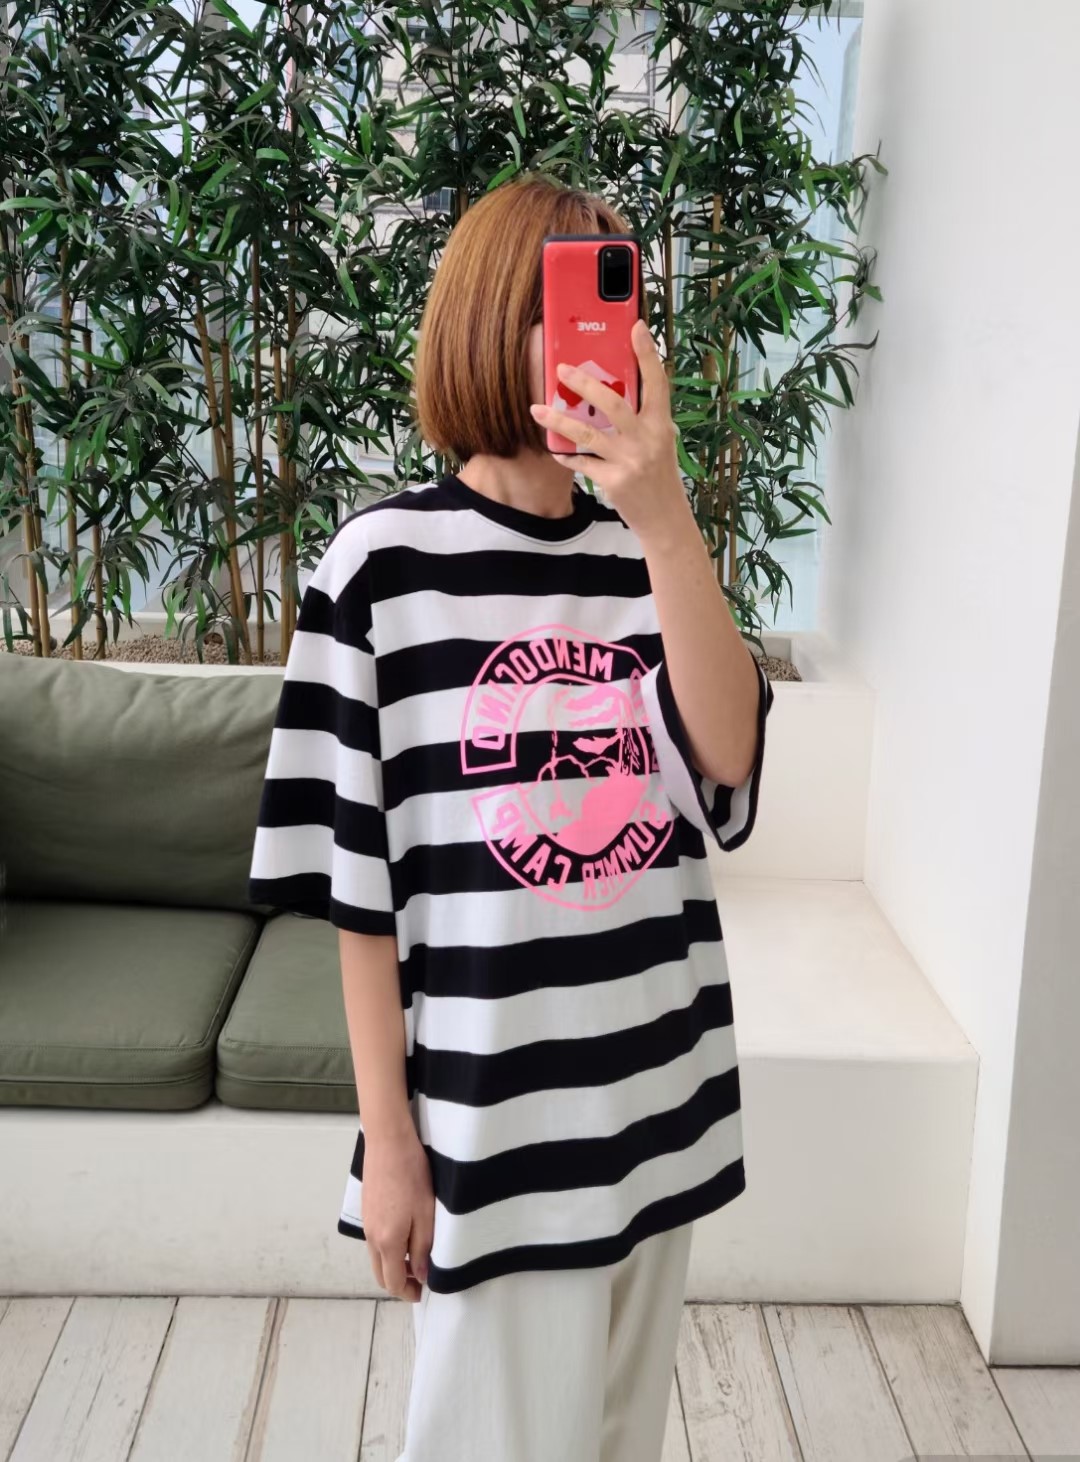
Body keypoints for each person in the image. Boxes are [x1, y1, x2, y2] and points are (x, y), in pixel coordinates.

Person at [248, 172, 774, 1462]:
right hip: (495, 1114)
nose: (602, 336)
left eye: (618, 302)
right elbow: (357, 891)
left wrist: (667, 519)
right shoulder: (379, 569)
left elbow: (727, 759)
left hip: (658, 1090)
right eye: (567, 300)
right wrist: (390, 1145)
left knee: (617, 1440)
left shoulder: (646, 557)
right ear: (490, 317)